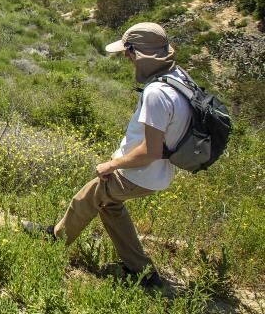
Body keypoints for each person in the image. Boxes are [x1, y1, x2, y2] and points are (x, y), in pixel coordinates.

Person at [24, 22, 192, 289]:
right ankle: (141, 271)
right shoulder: (180, 80)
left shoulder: (157, 93)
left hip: (140, 172)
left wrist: (111, 164)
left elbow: (150, 151)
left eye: (128, 51)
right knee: (110, 206)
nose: (126, 57)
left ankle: (55, 241)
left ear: (139, 53)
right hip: (158, 174)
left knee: (87, 198)